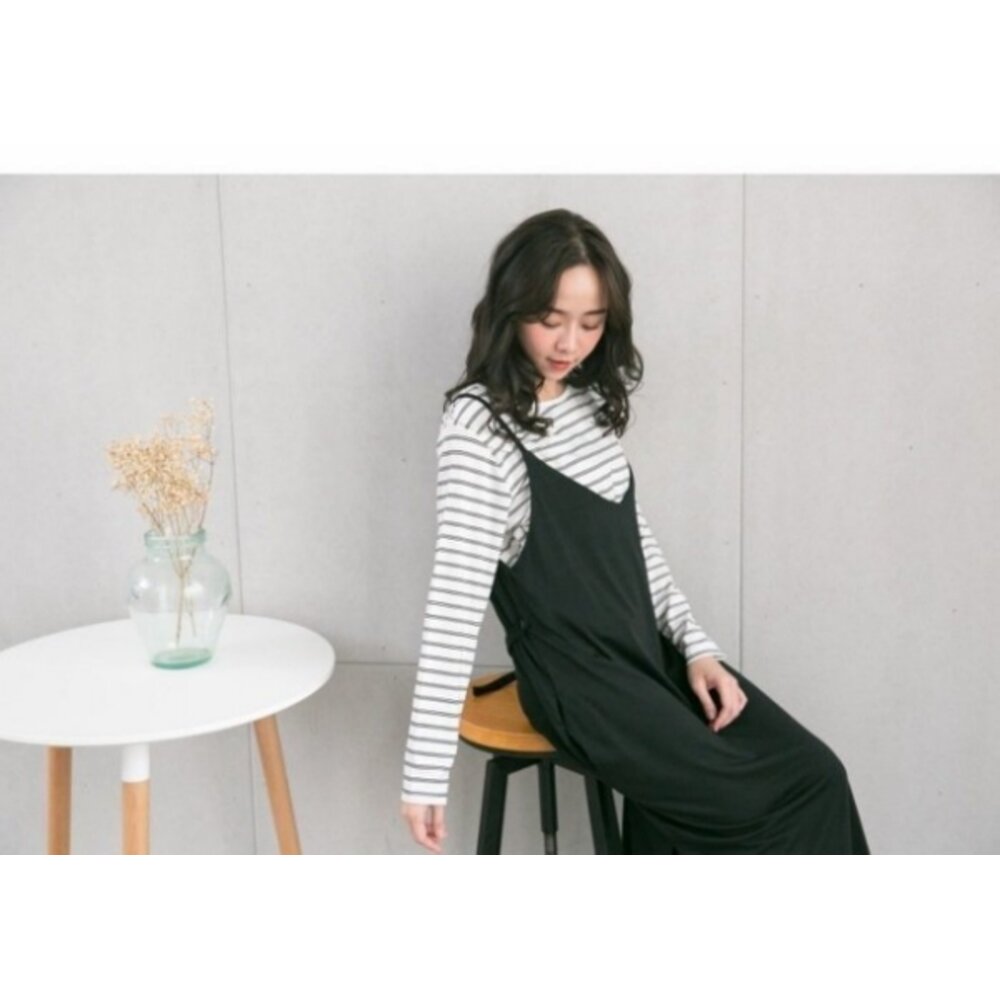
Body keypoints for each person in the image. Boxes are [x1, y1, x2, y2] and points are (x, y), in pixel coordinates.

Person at [399, 207, 870, 854]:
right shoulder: (477, 430)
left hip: (644, 655)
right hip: (581, 686)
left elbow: (635, 546)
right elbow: (454, 603)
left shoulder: (585, 401)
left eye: (590, 323)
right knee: (754, 803)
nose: (569, 344)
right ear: (511, 309)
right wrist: (424, 774)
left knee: (816, 774)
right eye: (550, 320)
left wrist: (698, 649)